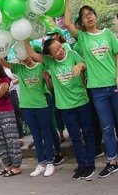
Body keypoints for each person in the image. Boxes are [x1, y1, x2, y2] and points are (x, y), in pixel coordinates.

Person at [63, 0, 118, 178]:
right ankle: (112, 161)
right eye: (84, 16)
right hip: (97, 90)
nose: (88, 17)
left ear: (95, 15)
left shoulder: (108, 33)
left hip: (114, 86)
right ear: (83, 21)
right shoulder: (83, 38)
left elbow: (116, 54)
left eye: (90, 14)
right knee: (107, 127)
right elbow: (68, 23)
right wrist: (67, 0)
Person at [25, 38, 95, 180]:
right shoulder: (50, 62)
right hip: (65, 106)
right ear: (50, 55)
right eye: (56, 50)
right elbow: (32, 54)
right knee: (75, 137)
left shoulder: (72, 54)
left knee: (87, 132)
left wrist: (80, 65)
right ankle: (81, 164)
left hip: (81, 101)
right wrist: (25, 36)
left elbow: (86, 64)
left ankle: (91, 164)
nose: (60, 51)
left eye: (60, 47)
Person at [0, 55, 55, 177]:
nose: (23, 59)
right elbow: (2, 62)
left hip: (41, 105)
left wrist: (47, 79)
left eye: (25, 56)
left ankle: (50, 162)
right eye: (21, 57)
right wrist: (0, 52)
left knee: (46, 134)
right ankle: (41, 163)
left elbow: (50, 87)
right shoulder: (19, 68)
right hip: (26, 106)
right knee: (36, 136)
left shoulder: (41, 66)